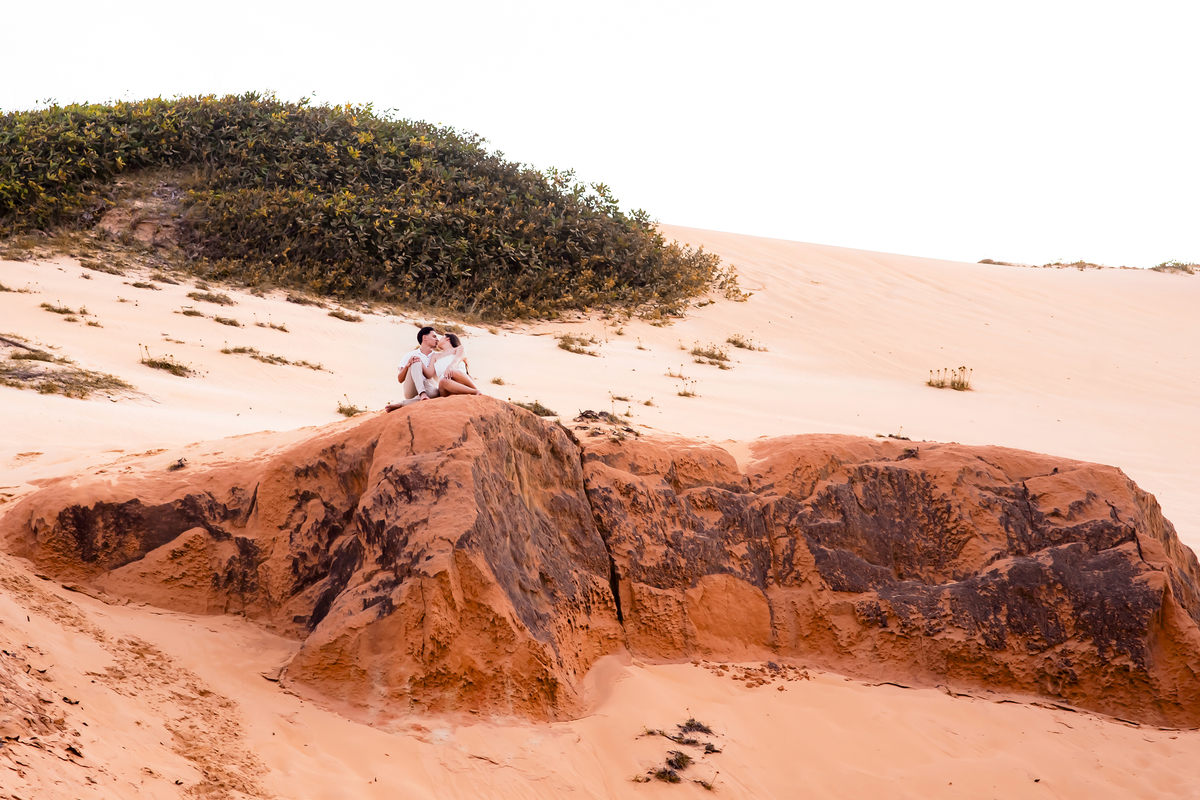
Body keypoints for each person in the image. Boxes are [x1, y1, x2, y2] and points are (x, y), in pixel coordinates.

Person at [385, 326, 440, 411]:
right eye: (434, 336)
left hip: (429, 389)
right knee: (416, 360)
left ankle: (402, 404)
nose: (437, 339)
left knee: (435, 392)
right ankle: (422, 394)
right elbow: (400, 379)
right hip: (412, 388)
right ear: (424, 337)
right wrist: (408, 365)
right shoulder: (410, 355)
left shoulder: (437, 356)